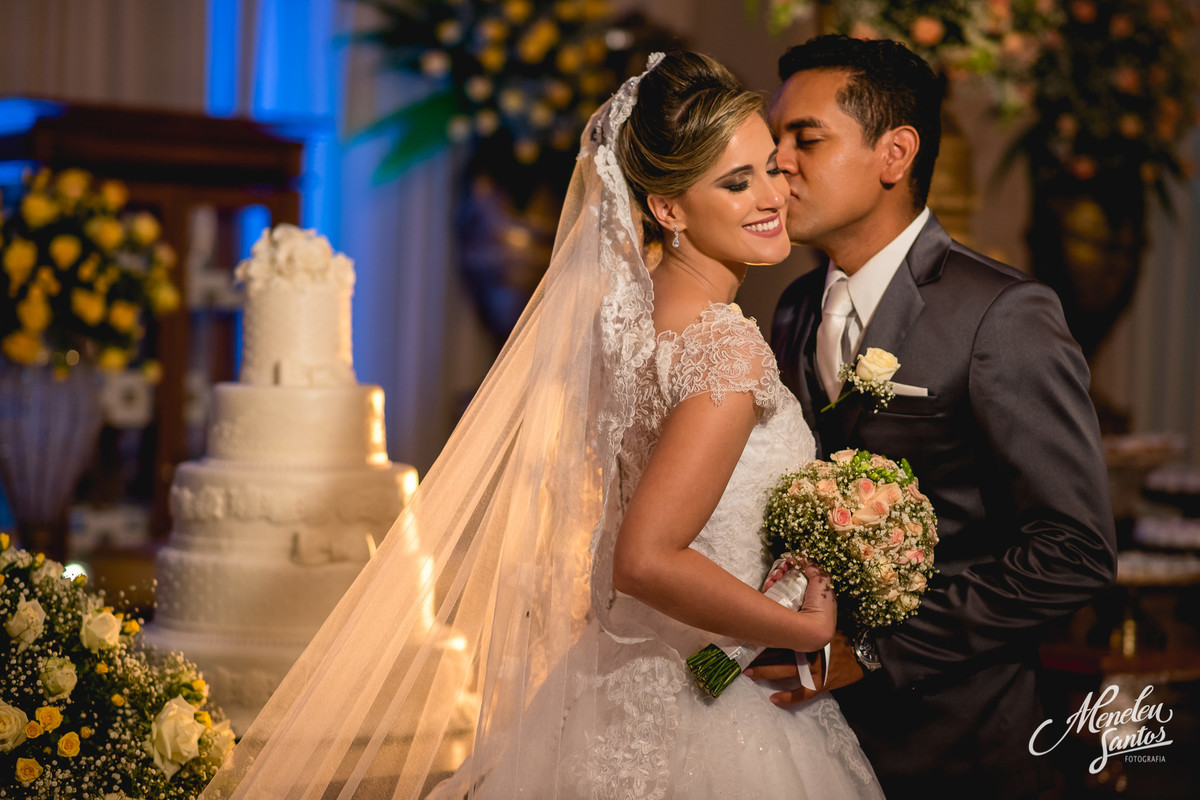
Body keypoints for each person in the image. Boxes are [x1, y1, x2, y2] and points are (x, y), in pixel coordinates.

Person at [200, 52, 883, 799]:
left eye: (771, 169)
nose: (773, 195)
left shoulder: (627, 323)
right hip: (714, 714)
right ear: (668, 208)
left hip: (632, 685)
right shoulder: (723, 348)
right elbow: (646, 558)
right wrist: (805, 630)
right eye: (737, 180)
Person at [753, 34, 1118, 799]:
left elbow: (1073, 549)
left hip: (964, 744)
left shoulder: (1002, 314)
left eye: (804, 139)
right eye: (774, 137)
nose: (777, 160)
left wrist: (877, 651)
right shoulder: (790, 310)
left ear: (896, 153)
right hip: (806, 737)